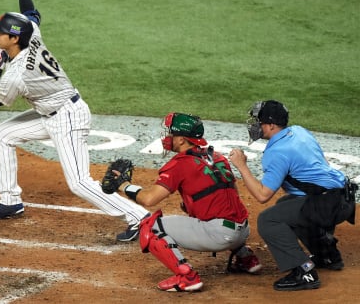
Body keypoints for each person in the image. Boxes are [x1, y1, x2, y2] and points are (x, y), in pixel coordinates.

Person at [0, 0, 149, 242]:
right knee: (2, 134)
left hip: (68, 117)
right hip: (49, 111)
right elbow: (32, 15)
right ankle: (10, 200)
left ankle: (140, 218)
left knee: (80, 183)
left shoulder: (17, 74)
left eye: (1, 33)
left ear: (14, 39)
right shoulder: (31, 35)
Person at [109, 112, 262, 292]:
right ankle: (246, 258)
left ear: (181, 140)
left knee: (150, 227)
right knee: (213, 210)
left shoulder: (180, 163)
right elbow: (230, 194)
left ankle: (187, 276)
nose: (167, 137)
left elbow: (149, 199)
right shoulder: (218, 157)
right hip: (242, 230)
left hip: (220, 235)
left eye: (170, 134)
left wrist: (124, 185)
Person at [228, 100, 356, 291]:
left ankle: (304, 272)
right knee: (286, 204)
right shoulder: (298, 131)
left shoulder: (277, 152)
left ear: (271, 125)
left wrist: (242, 166)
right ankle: (326, 255)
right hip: (343, 198)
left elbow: (263, 196)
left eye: (258, 121)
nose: (255, 125)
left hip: (328, 205)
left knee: (267, 220)